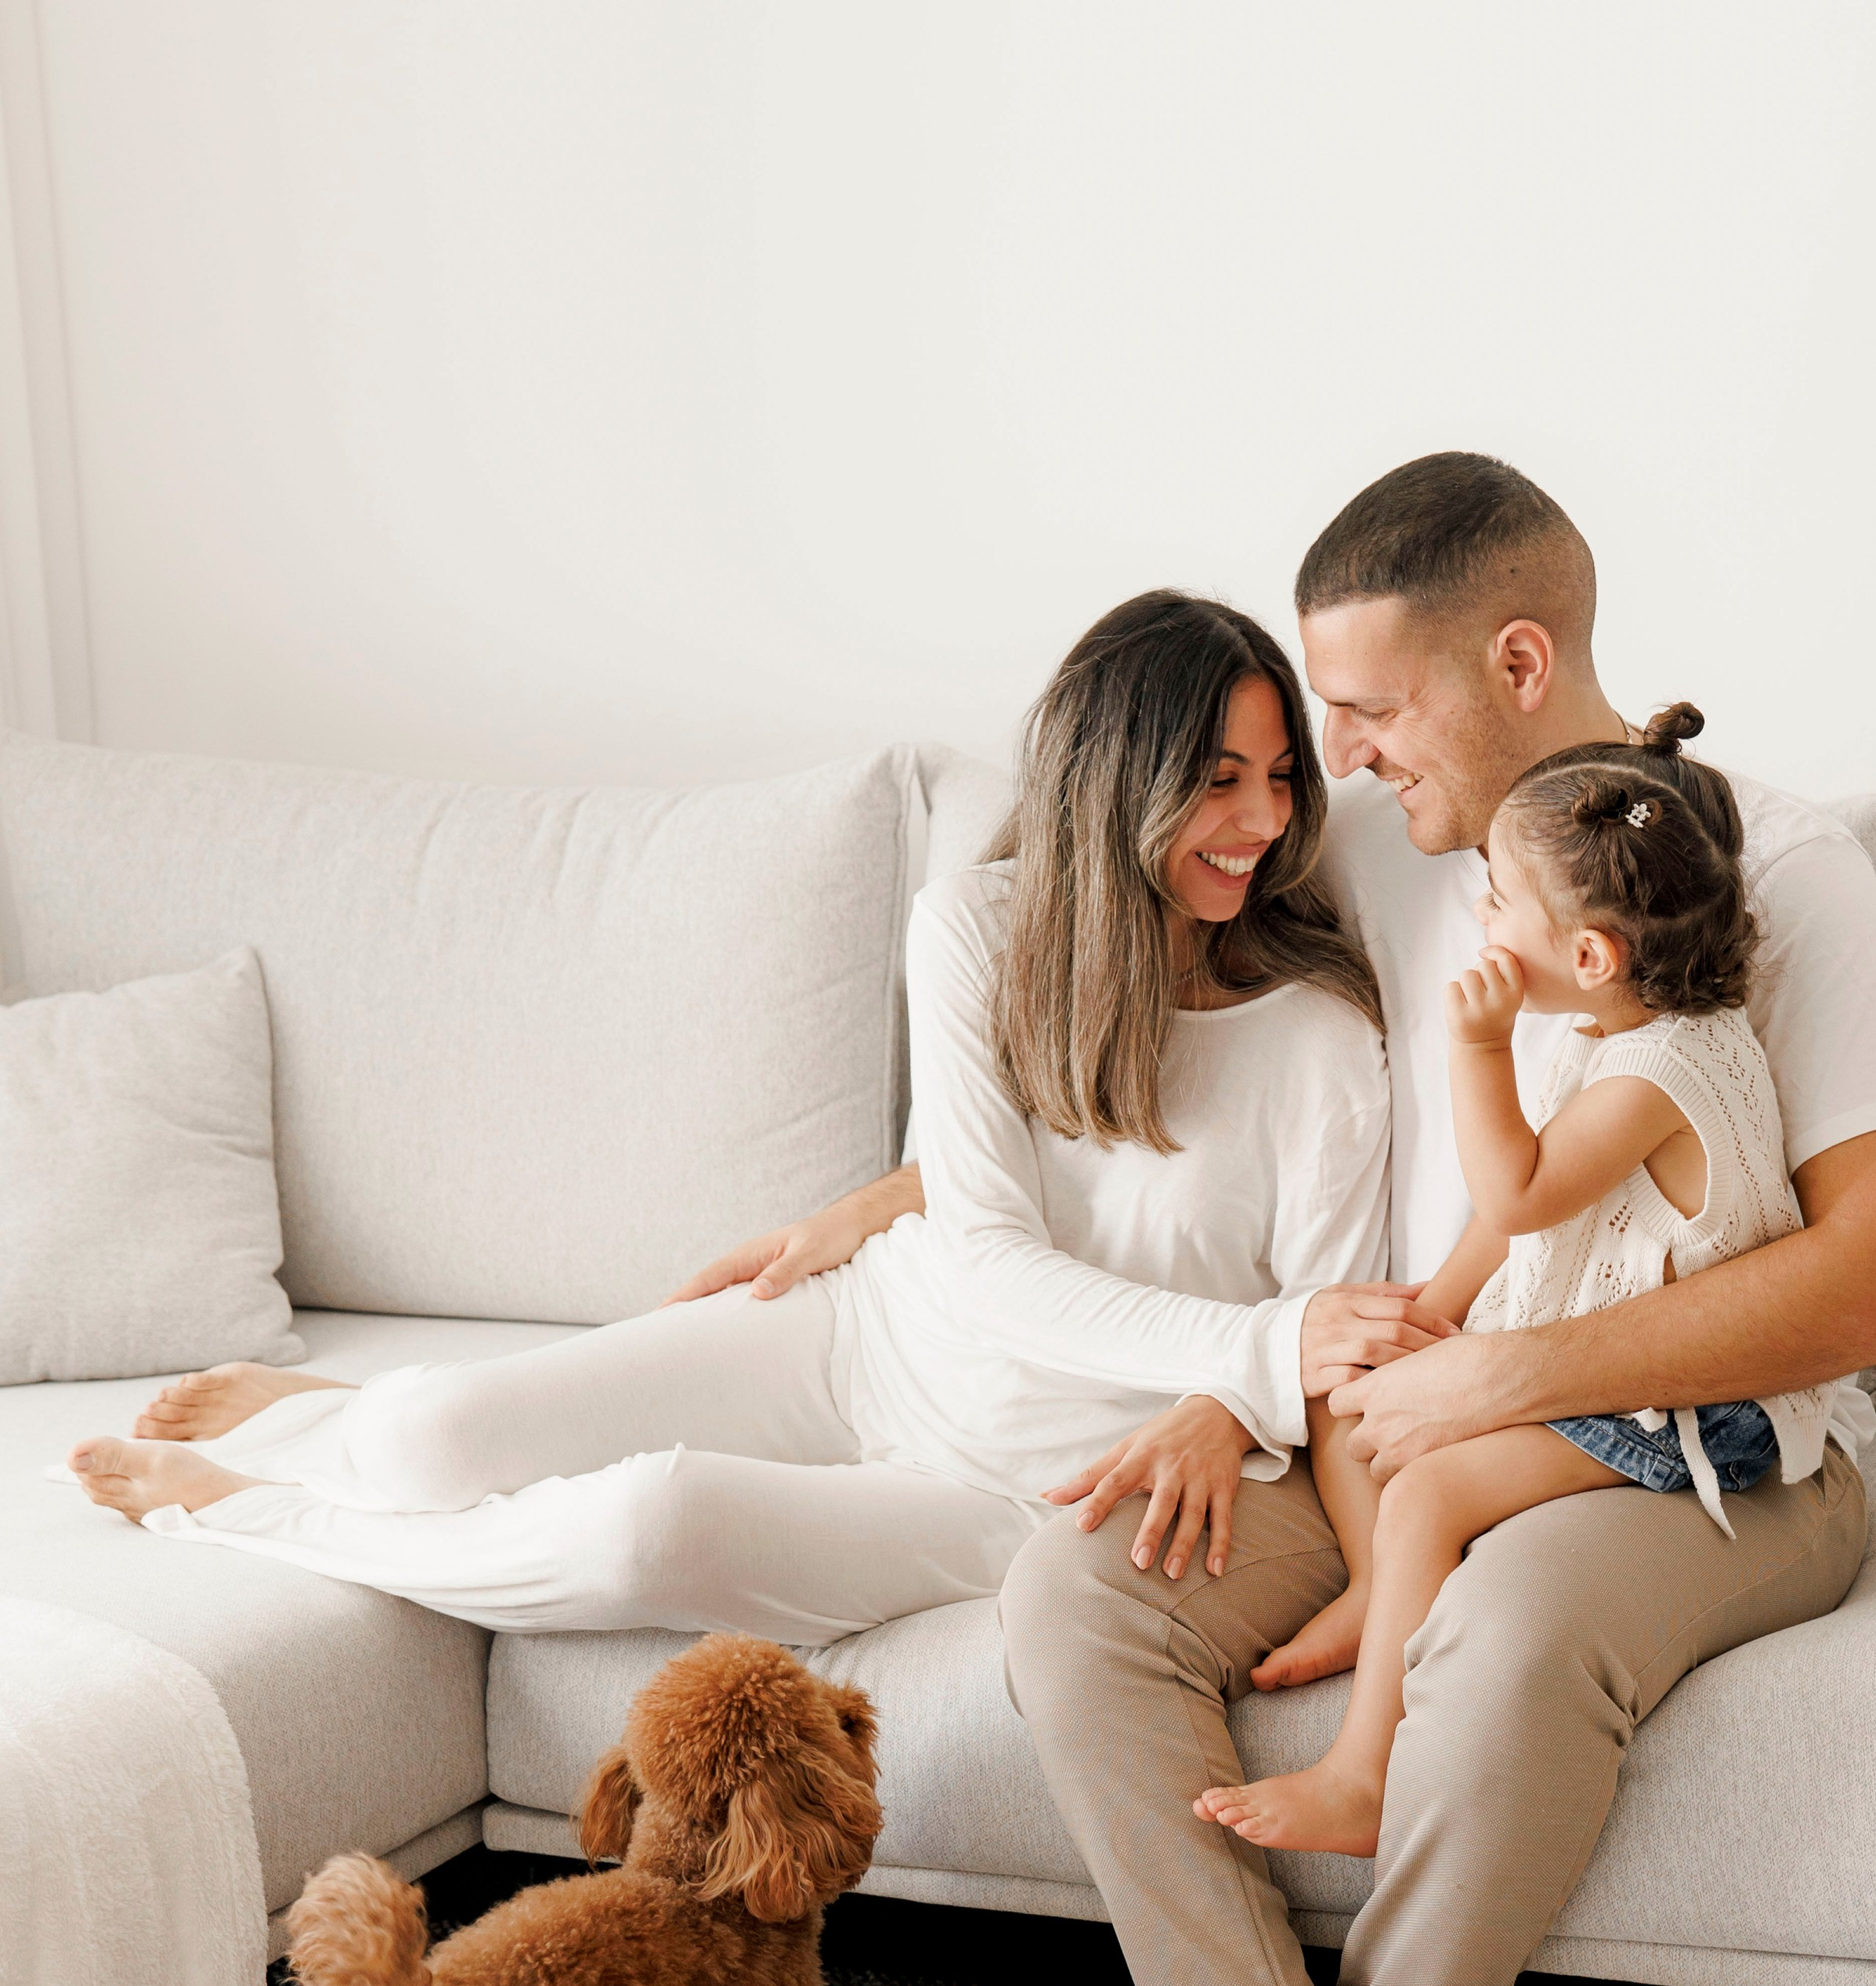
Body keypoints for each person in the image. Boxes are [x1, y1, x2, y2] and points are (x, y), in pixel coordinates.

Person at [669, 454, 1876, 1986]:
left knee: (1506, 1637)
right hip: (1383, 1399)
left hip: (1710, 1450)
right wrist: (932, 1217)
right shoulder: (1367, 844)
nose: (1321, 763)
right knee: (1077, 1600)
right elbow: (1133, 1054)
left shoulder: (1759, 863)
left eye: (1361, 713)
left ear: (1515, 662)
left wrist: (1510, 1384)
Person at [67, 585, 1397, 1707]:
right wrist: (1253, 1349)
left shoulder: (1321, 1038)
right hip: (866, 1339)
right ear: (1117, 783)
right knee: (433, 1431)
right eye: (1219, 781)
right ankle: (340, 1420)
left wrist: (1239, 1392)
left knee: (649, 1526)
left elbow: (1314, 1331)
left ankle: (252, 1506)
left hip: (1022, 1485)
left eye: (1281, 779)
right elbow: (998, 1242)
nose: (1266, 820)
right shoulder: (979, 930)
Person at [1193, 702, 1840, 1859]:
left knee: (1431, 1490)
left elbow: (1525, 1191)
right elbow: (1522, 1221)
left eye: (1495, 900)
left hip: (1695, 1410)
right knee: (1358, 1394)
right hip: (1600, 1365)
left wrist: (1479, 1047)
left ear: (1589, 958)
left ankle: (1361, 1775)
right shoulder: (1630, 1037)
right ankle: (1381, 1587)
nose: (1481, 919)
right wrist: (1431, 1311)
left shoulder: (1659, 1072)